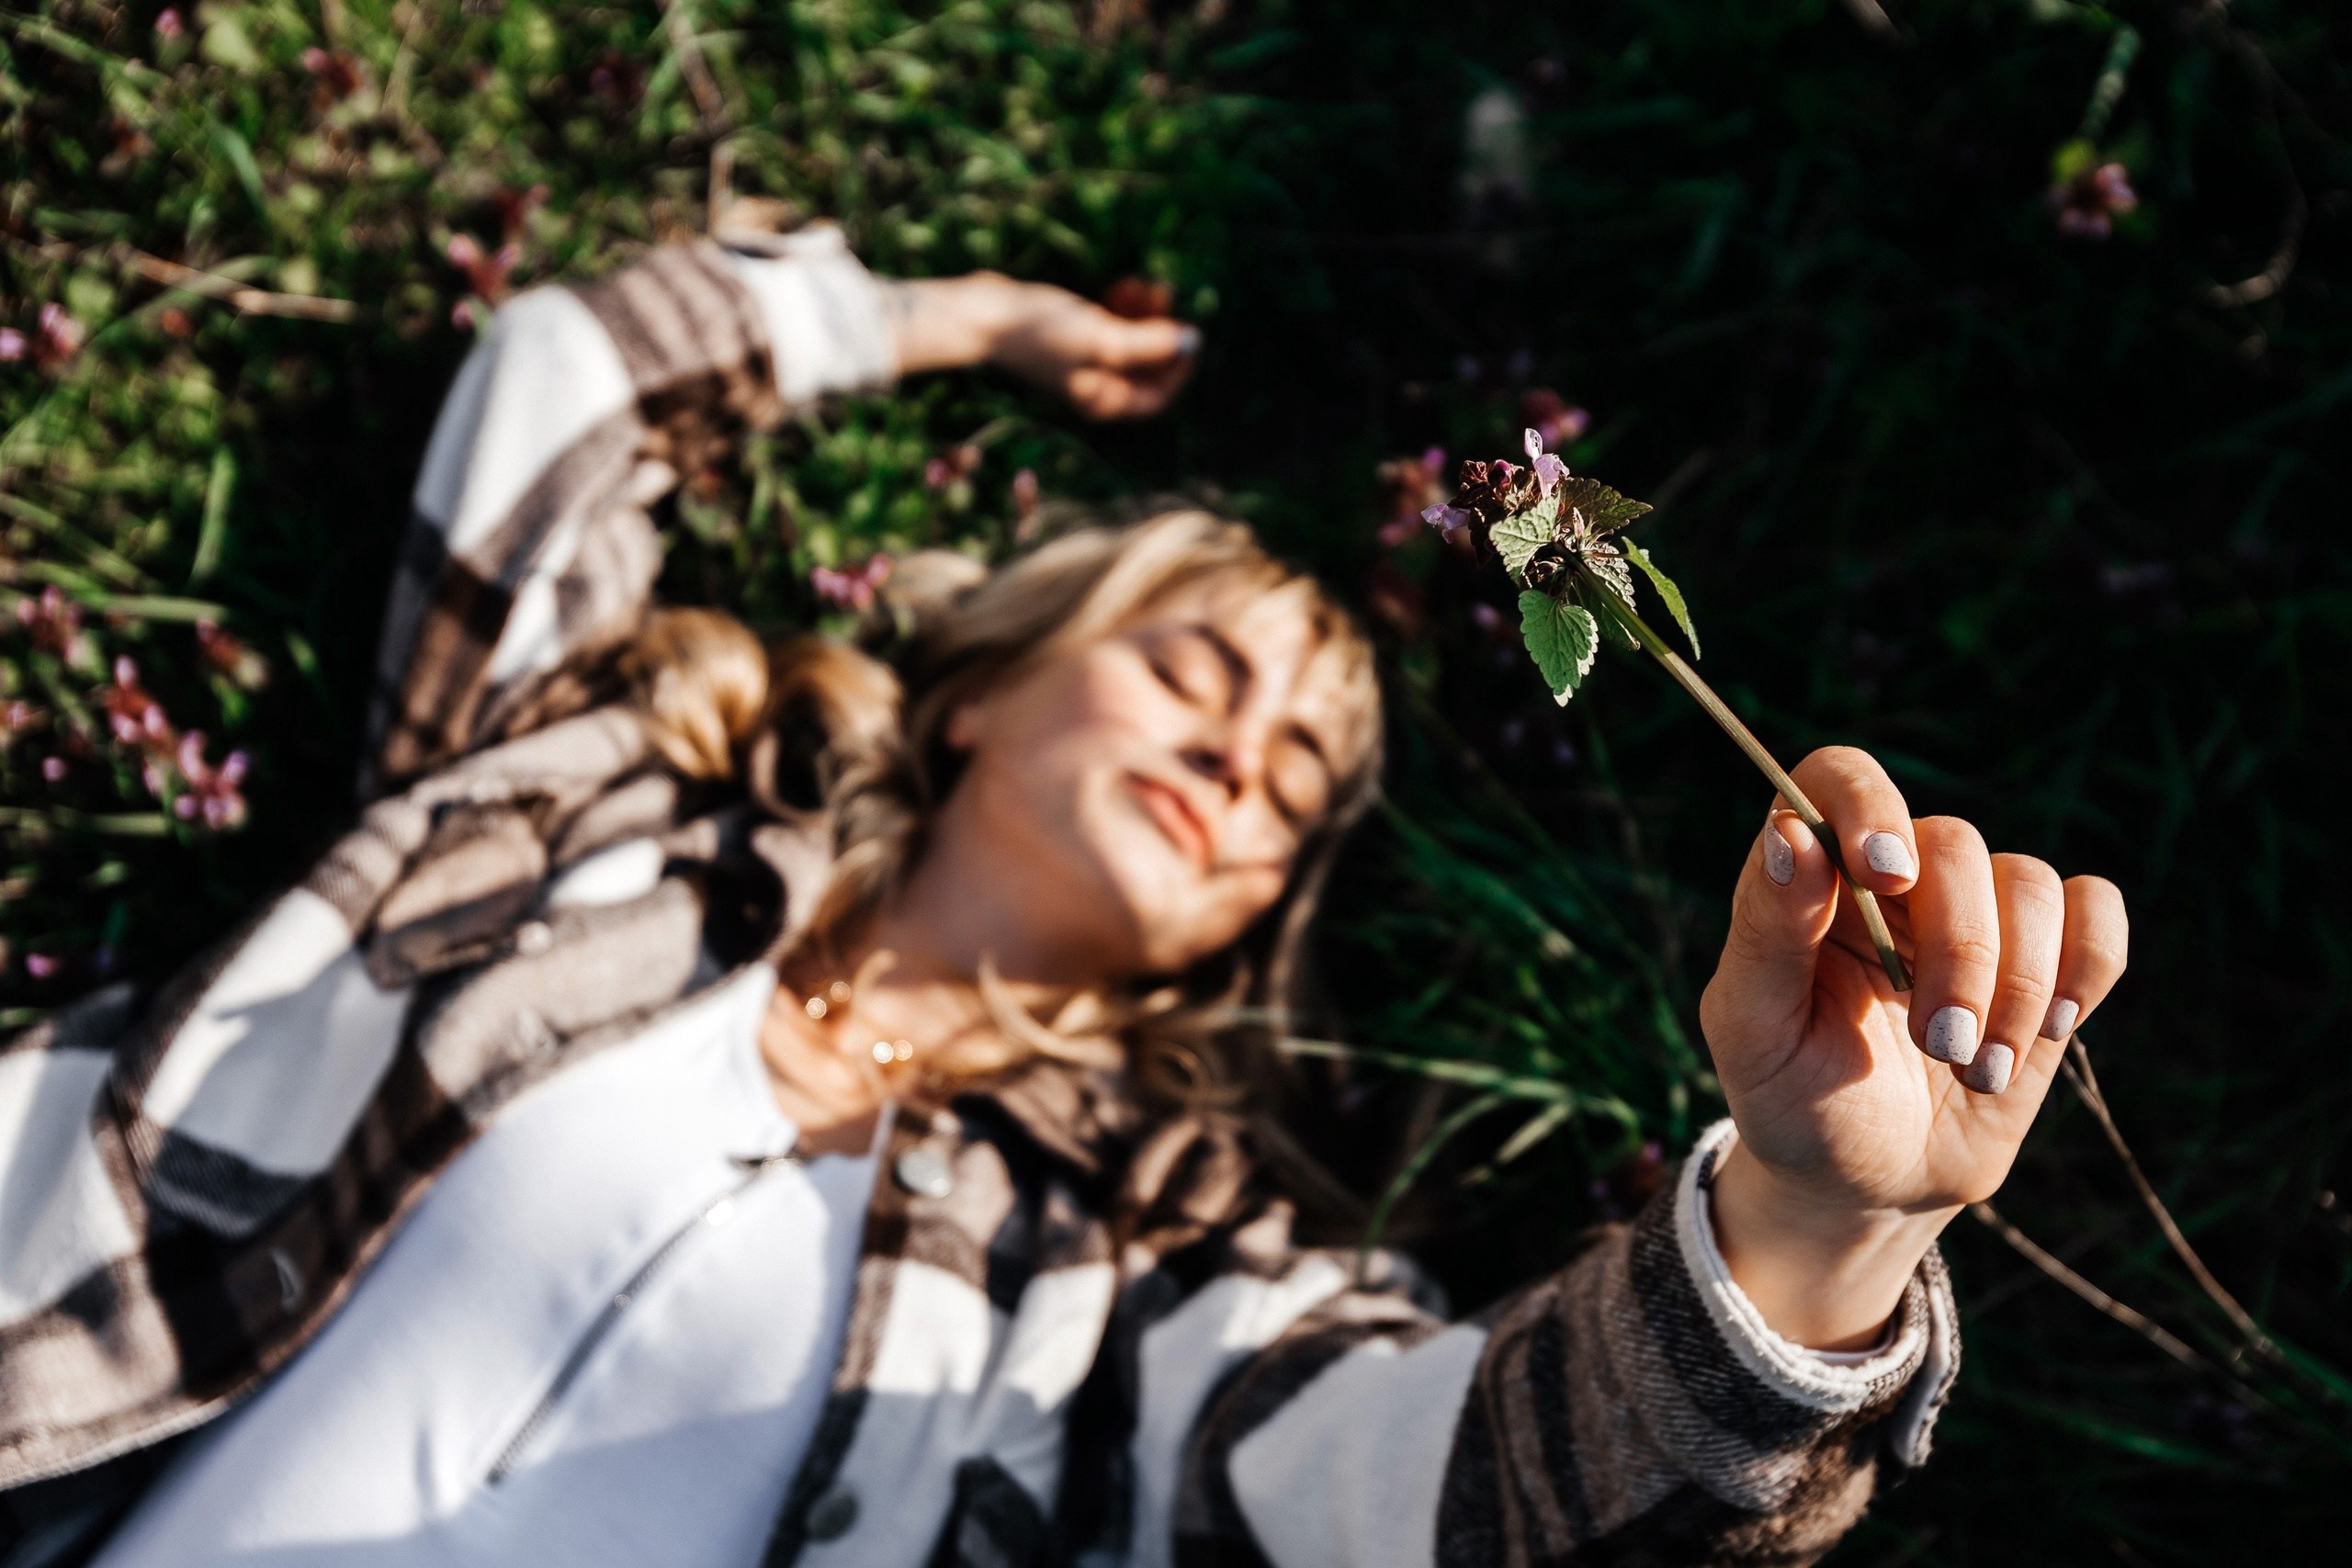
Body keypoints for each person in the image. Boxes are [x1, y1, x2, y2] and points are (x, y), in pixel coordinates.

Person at [0, 222, 2127, 1568]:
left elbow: (1447, 1496)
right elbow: (564, 382)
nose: (1232, 758)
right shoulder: (588, 810)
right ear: (975, 696)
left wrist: (1813, 1223)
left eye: (1291, 773)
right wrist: (945, 317)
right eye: (1192, 671)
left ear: (1249, 922)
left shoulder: (1149, 1262)